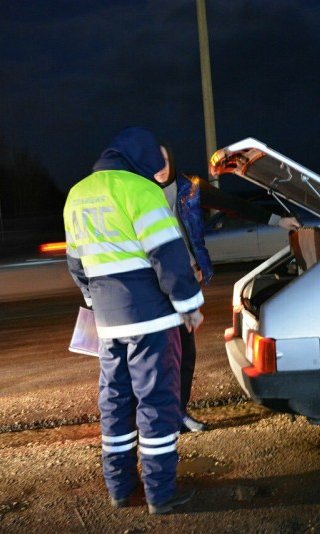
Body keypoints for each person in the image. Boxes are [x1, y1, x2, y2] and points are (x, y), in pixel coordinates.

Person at [63, 127, 204, 515]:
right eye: (154, 166)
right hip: (151, 321)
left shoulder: (77, 194)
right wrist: (189, 306)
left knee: (115, 402)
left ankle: (121, 488)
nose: (158, 174)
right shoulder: (142, 191)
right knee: (157, 403)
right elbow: (168, 256)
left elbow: (76, 264)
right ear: (141, 161)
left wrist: (94, 301)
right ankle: (161, 494)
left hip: (108, 324)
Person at [155, 142, 300, 433]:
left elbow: (233, 204)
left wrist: (278, 220)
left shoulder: (191, 188)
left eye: (164, 159)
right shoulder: (138, 191)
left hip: (187, 280)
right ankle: (154, 418)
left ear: (172, 160)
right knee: (157, 353)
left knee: (185, 352)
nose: (158, 166)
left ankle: (178, 414)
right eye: (152, 160)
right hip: (154, 282)